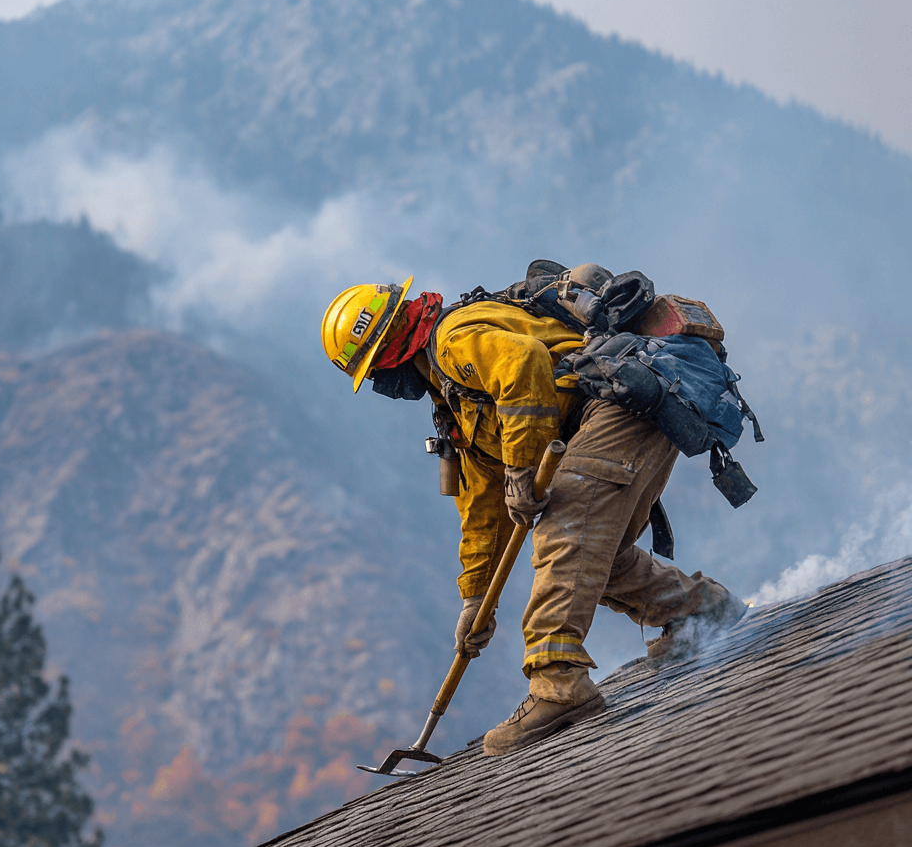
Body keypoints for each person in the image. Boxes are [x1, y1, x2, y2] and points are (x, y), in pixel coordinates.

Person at [320, 264, 747, 757]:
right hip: (621, 409)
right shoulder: (450, 395)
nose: (382, 385)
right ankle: (700, 610)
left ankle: (557, 683)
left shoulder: (454, 339)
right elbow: (481, 501)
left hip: (617, 404)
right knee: (598, 557)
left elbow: (524, 366)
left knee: (565, 528)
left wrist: (522, 468)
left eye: (374, 373)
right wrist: (475, 598)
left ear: (388, 352)